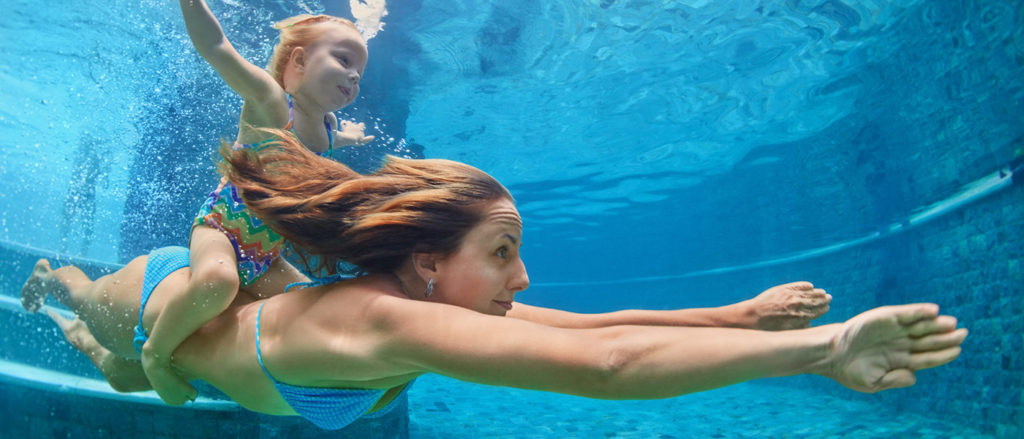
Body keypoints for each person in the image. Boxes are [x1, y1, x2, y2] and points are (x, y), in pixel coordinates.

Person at [23, 130, 966, 431]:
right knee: (97, 314)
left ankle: (81, 333)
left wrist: (740, 316)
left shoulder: (415, 305)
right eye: (505, 251)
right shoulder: (384, 324)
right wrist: (818, 350)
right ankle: (54, 282)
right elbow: (604, 367)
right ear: (431, 264)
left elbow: (595, 326)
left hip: (211, 369)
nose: (526, 274)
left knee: (125, 376)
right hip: (160, 296)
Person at [71, 0, 371, 406]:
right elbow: (217, 48)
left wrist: (350, 137)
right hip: (222, 230)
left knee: (311, 298)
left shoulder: (324, 128)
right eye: (344, 59)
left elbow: (329, 142)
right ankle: (156, 354)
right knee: (218, 282)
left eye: (360, 71)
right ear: (298, 61)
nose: (354, 75)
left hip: (267, 255)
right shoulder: (270, 100)